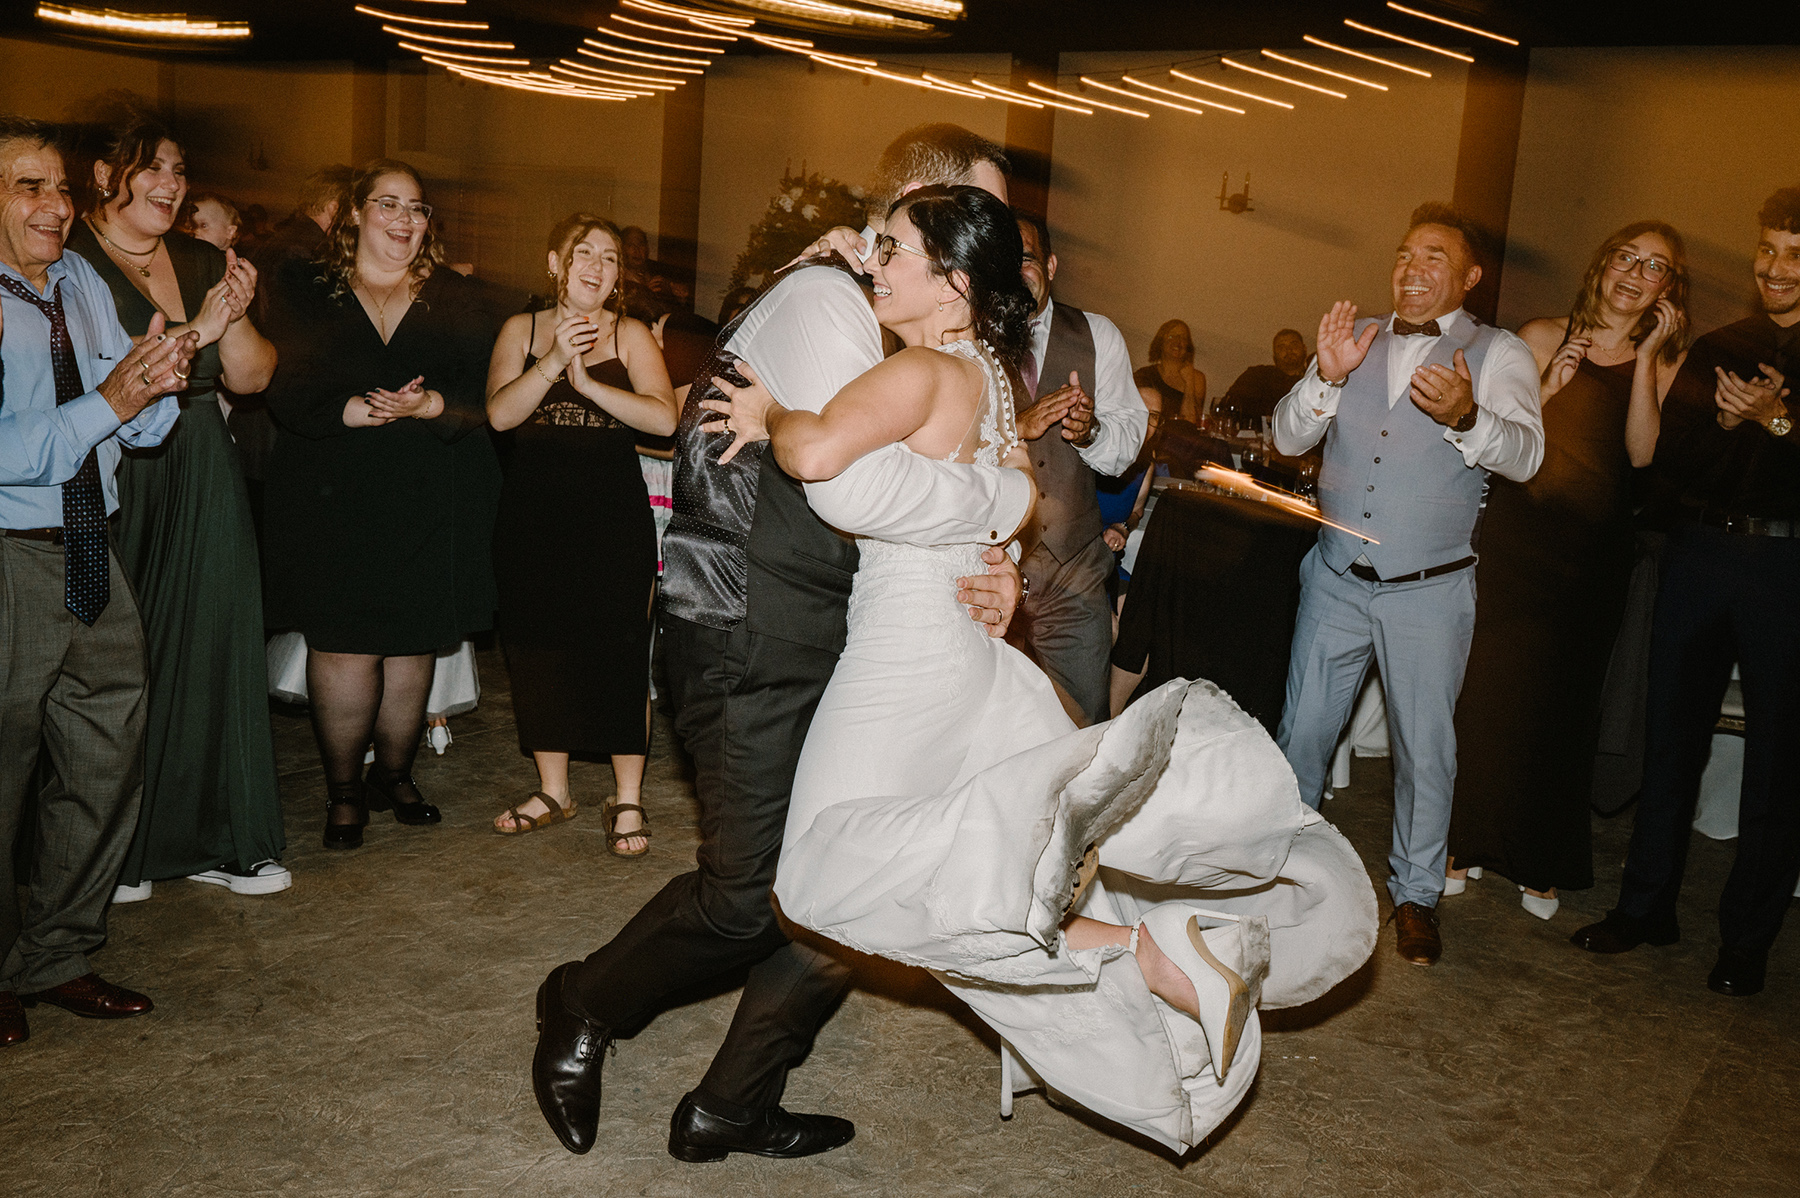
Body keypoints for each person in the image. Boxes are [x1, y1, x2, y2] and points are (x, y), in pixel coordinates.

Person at [706, 183, 1377, 1154]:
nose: (875, 262)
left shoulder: (926, 371)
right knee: (994, 869)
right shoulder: (986, 378)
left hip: (906, 658)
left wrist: (773, 407)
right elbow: (1005, 497)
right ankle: (1167, 956)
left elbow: (813, 452)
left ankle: (1154, 950)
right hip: (971, 657)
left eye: (893, 249)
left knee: (817, 874)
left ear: (951, 284)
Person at [529, 122, 1029, 1166]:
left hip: (855, 649)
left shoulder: (921, 340)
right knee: (750, 896)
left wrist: (993, 556)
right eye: (969, 219)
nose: (989, 250)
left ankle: (731, 1102)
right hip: (750, 630)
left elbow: (934, 470)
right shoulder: (822, 303)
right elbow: (854, 481)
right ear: (908, 219)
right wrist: (989, 505)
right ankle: (581, 1002)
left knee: (862, 887)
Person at [1272, 202, 1544, 967]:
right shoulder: (1355, 341)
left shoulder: (1500, 354)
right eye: (1403, 254)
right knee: (1303, 733)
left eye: (1433, 257)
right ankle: (1285, 874)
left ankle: (1417, 896)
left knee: (1426, 751)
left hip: (1429, 587)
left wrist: (1468, 418)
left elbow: (1525, 456)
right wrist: (1325, 378)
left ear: (1468, 276)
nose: (1412, 268)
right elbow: (1287, 435)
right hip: (1335, 577)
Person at [1571, 188, 1800, 998]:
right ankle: (1645, 908)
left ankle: (1745, 943)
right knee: (1670, 739)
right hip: (1701, 555)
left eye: (1793, 254)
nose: (1774, 268)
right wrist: (1734, 427)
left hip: (1786, 572)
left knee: (1778, 764)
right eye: (1767, 249)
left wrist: (1778, 422)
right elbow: (1670, 466)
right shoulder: (1722, 346)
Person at [0, 115, 198, 1047]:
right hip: (9, 553)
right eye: (25, 186)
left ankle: (56, 955)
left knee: (103, 755)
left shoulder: (77, 277)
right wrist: (108, 402)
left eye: (58, 188)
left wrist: (152, 385)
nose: (53, 205)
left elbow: (128, 422)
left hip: (90, 546)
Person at [67, 118, 288, 900]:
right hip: (116, 464)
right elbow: (119, 372)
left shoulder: (197, 258)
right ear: (102, 175)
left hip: (201, 461)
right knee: (123, 658)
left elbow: (252, 379)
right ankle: (117, 850)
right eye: (149, 168)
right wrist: (205, 326)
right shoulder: (70, 260)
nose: (170, 183)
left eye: (178, 169)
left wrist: (235, 313)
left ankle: (225, 838)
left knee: (216, 641)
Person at [1448, 222, 1691, 920]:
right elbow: (1496, 435)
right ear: (1601, 264)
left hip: (1592, 556)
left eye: (1654, 266)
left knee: (1563, 703)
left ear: (1667, 290)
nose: (1634, 272)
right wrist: (1550, 387)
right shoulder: (1541, 333)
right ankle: (1459, 844)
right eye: (1625, 256)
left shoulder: (1667, 361)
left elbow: (1642, 456)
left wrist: (1644, 358)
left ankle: (1538, 855)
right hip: (1519, 540)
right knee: (1489, 692)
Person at [260, 158, 501, 851]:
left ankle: (394, 775)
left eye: (417, 208)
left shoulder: (458, 296)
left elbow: (484, 390)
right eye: (388, 204)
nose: (403, 220)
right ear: (356, 213)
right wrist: (344, 410)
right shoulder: (307, 288)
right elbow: (280, 379)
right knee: (343, 640)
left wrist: (431, 405)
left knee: (411, 639)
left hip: (430, 486)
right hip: (333, 486)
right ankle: (342, 793)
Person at [486, 214, 677, 852]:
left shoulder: (630, 336)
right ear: (554, 263)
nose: (597, 265)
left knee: (619, 653)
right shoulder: (522, 330)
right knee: (538, 650)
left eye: (610, 257)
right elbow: (500, 414)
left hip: (611, 519)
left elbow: (664, 420)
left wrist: (590, 383)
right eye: (583, 252)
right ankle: (555, 790)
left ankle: (627, 801)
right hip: (533, 519)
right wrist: (555, 360)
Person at [1011, 211, 1149, 725]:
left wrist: (1089, 431)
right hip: (987, 564)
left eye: (1023, 257)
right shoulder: (962, 334)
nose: (1013, 269)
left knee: (1080, 726)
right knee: (992, 728)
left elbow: (1127, 444)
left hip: (1075, 569)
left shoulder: (1098, 334)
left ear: (1048, 263)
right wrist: (1012, 427)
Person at [1221, 328, 1310, 427]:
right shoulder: (1256, 376)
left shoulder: (1315, 381)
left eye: (1294, 345)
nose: (1289, 350)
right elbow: (1227, 407)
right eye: (1281, 347)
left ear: (1304, 349)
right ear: (1274, 355)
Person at [1133, 318, 1205, 424]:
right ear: (1161, 342)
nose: (1178, 341)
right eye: (1172, 336)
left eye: (1183, 338)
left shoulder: (1197, 378)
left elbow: (1191, 423)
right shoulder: (1144, 374)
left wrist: (1189, 382)